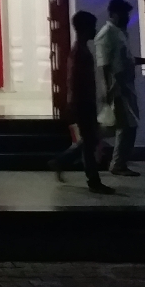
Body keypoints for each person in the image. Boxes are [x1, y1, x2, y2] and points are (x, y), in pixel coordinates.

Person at [49, 11, 116, 194]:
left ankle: (62, 161)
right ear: (86, 28)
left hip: (84, 102)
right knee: (89, 142)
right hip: (83, 103)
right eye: (92, 27)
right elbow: (76, 81)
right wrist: (76, 104)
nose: (95, 30)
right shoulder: (80, 52)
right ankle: (93, 180)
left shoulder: (80, 50)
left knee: (89, 140)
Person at [95, 0, 145, 176]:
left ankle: (115, 161)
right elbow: (104, 65)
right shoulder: (106, 34)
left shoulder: (120, 32)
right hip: (117, 86)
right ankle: (115, 163)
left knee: (120, 126)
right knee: (124, 126)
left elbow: (126, 59)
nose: (127, 17)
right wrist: (107, 88)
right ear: (114, 14)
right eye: (124, 14)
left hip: (125, 86)